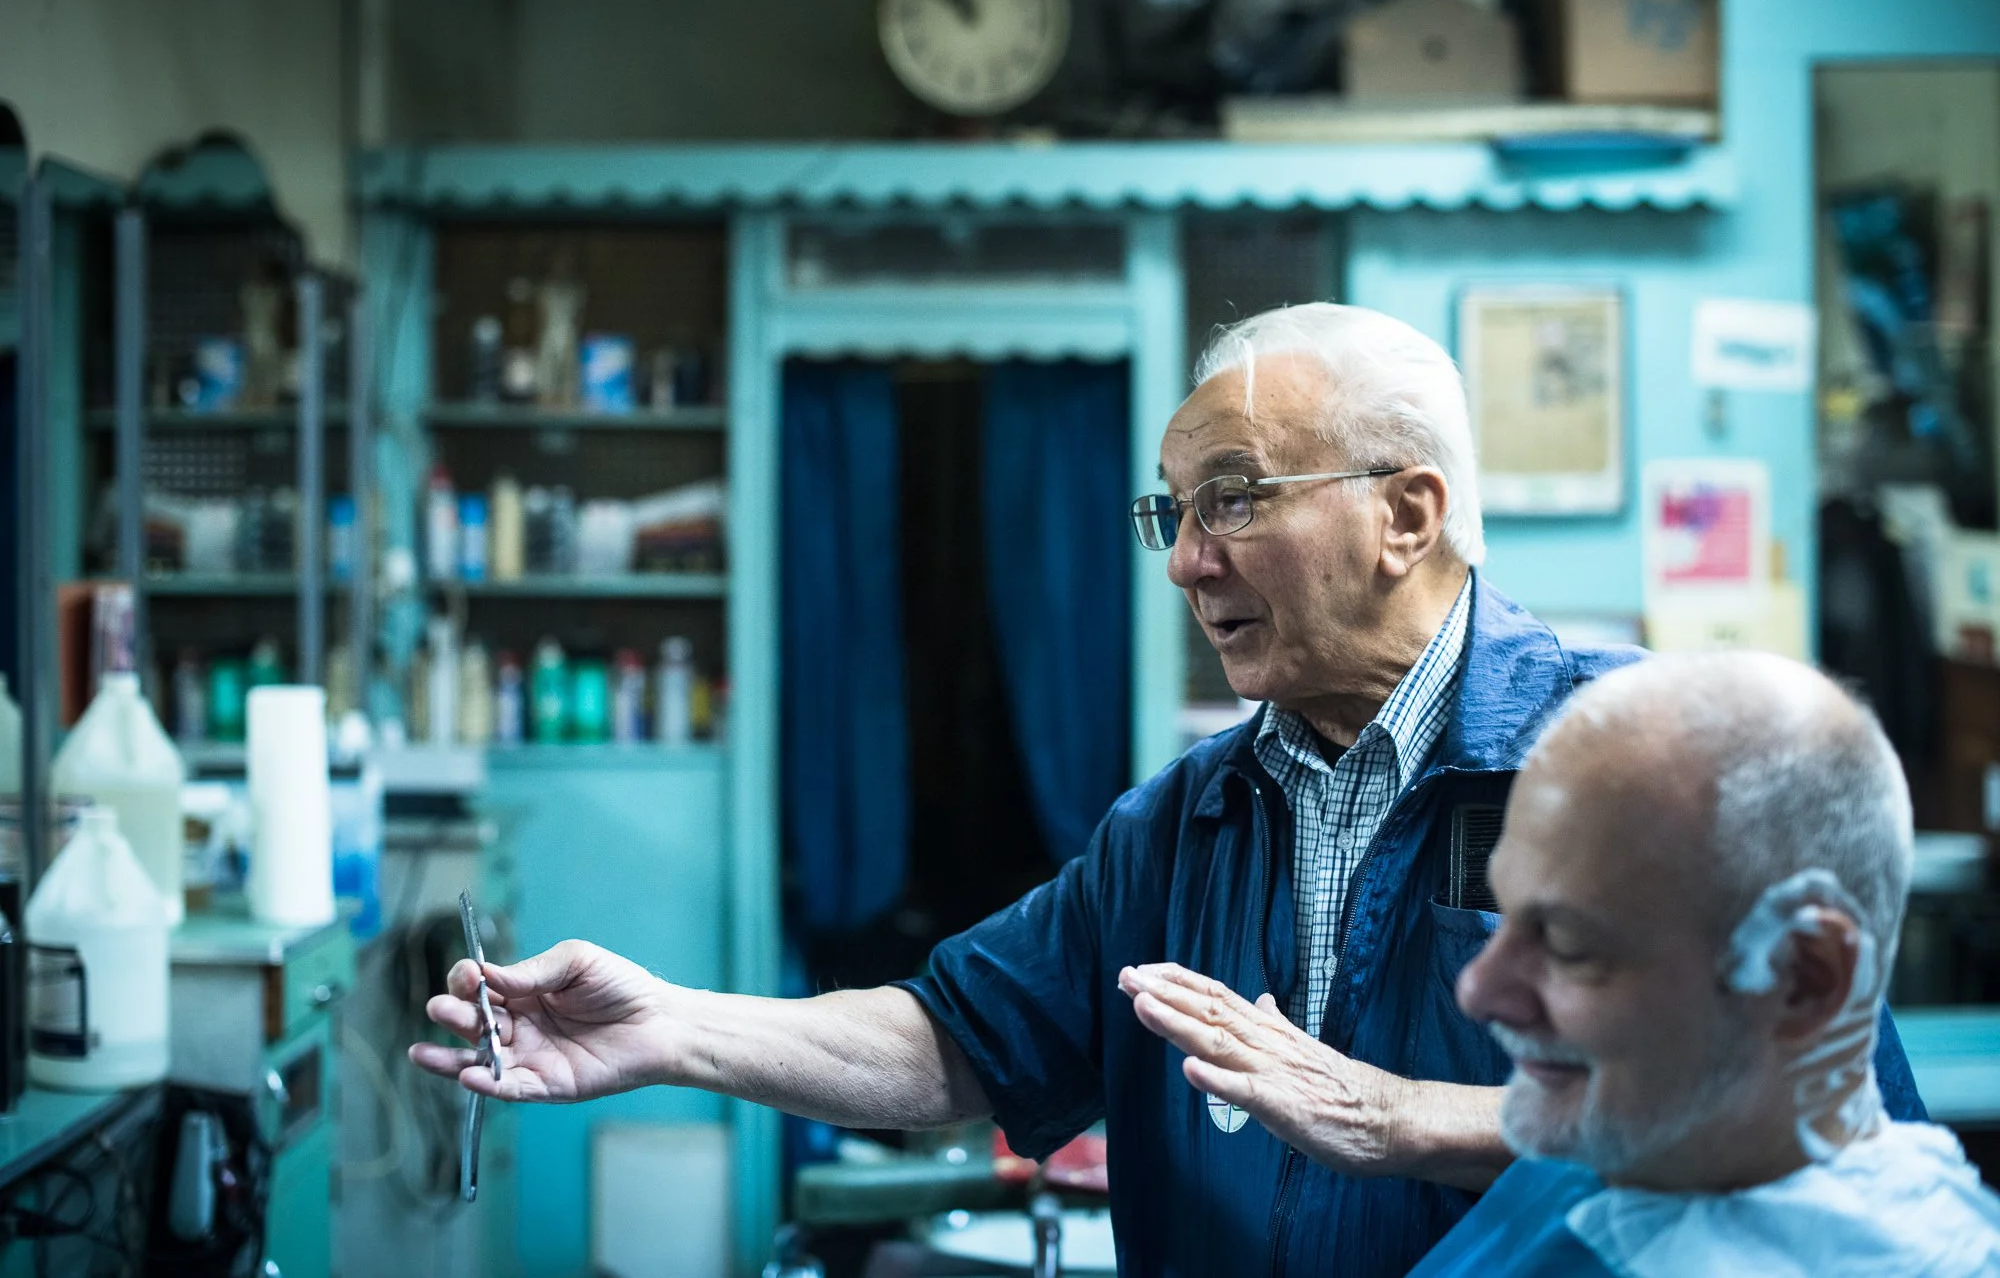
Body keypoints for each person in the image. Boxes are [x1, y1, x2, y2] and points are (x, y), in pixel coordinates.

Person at [410, 305, 1924, 1277]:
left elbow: (1830, 1125)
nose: (1189, 559)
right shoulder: (1185, 818)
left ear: (1407, 513)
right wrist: (675, 1023)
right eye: (1174, 513)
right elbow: (962, 1037)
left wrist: (1415, 1117)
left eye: (1235, 501)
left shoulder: (1638, 760)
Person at [1405, 651, 2000, 1277]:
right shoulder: (1616, 1161)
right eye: (1508, 914)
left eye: (1570, 945)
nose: (1478, 989)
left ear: (1802, 979)